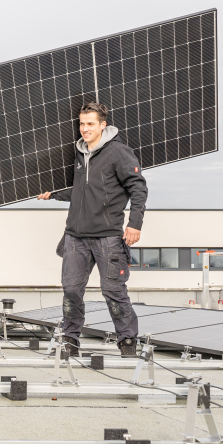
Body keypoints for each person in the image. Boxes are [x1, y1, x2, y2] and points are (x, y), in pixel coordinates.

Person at [37, 101, 147, 357]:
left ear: (103, 125)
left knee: (114, 291)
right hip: (75, 236)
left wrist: (134, 223)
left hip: (108, 237)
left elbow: (138, 188)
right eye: (81, 124)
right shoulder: (79, 153)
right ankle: (70, 340)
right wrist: (53, 194)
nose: (84, 129)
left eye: (90, 124)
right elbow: (81, 191)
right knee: (71, 290)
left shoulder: (119, 152)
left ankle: (128, 341)